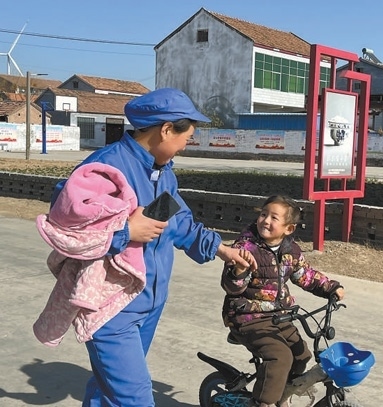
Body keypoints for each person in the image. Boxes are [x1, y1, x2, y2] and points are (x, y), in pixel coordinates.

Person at [34, 87, 257, 407]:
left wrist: (221, 249)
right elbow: (65, 225)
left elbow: (178, 221)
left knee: (108, 388)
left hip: (150, 303)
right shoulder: (105, 167)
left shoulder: (162, 173)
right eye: (186, 137)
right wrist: (125, 231)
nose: (186, 145)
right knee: (136, 398)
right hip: (112, 308)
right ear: (166, 130)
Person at [221, 195, 345, 407]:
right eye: (263, 214)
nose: (265, 220)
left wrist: (331, 287)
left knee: (301, 354)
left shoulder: (291, 251)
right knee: (280, 357)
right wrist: (239, 271)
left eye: (274, 217)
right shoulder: (245, 248)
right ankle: (264, 402)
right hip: (247, 317)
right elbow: (231, 287)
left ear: (289, 229)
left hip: (279, 316)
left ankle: (281, 394)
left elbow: (305, 275)